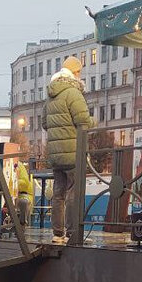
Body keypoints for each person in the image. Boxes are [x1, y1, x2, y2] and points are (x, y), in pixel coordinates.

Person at [44, 55, 94, 244]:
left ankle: (58, 234)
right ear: (76, 73)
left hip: (55, 153)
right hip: (73, 151)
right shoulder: (73, 93)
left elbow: (44, 122)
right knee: (74, 191)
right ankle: (74, 233)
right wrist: (93, 122)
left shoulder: (50, 95)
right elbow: (83, 122)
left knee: (58, 193)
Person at [9, 159, 33, 228]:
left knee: (23, 202)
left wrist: (14, 183)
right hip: (11, 193)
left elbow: (25, 182)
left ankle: (22, 223)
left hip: (22, 193)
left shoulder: (19, 165)